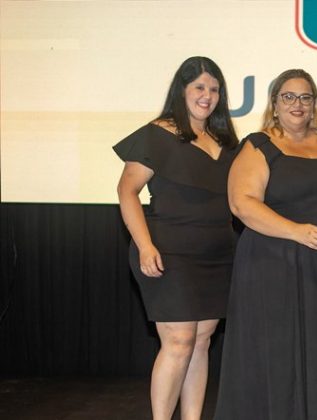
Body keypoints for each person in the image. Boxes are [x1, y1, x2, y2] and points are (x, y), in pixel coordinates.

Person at [214, 69, 317, 420]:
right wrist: (296, 231)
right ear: (275, 104)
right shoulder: (258, 145)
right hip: (273, 264)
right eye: (289, 97)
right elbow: (241, 204)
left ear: (314, 104)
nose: (298, 104)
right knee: (277, 352)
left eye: (305, 97)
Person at [114, 56, 239, 420]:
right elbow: (126, 191)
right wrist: (145, 245)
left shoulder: (226, 140)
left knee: (200, 342)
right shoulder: (157, 134)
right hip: (168, 253)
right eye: (199, 87)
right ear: (181, 90)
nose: (207, 96)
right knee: (180, 341)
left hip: (218, 255)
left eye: (214, 89)